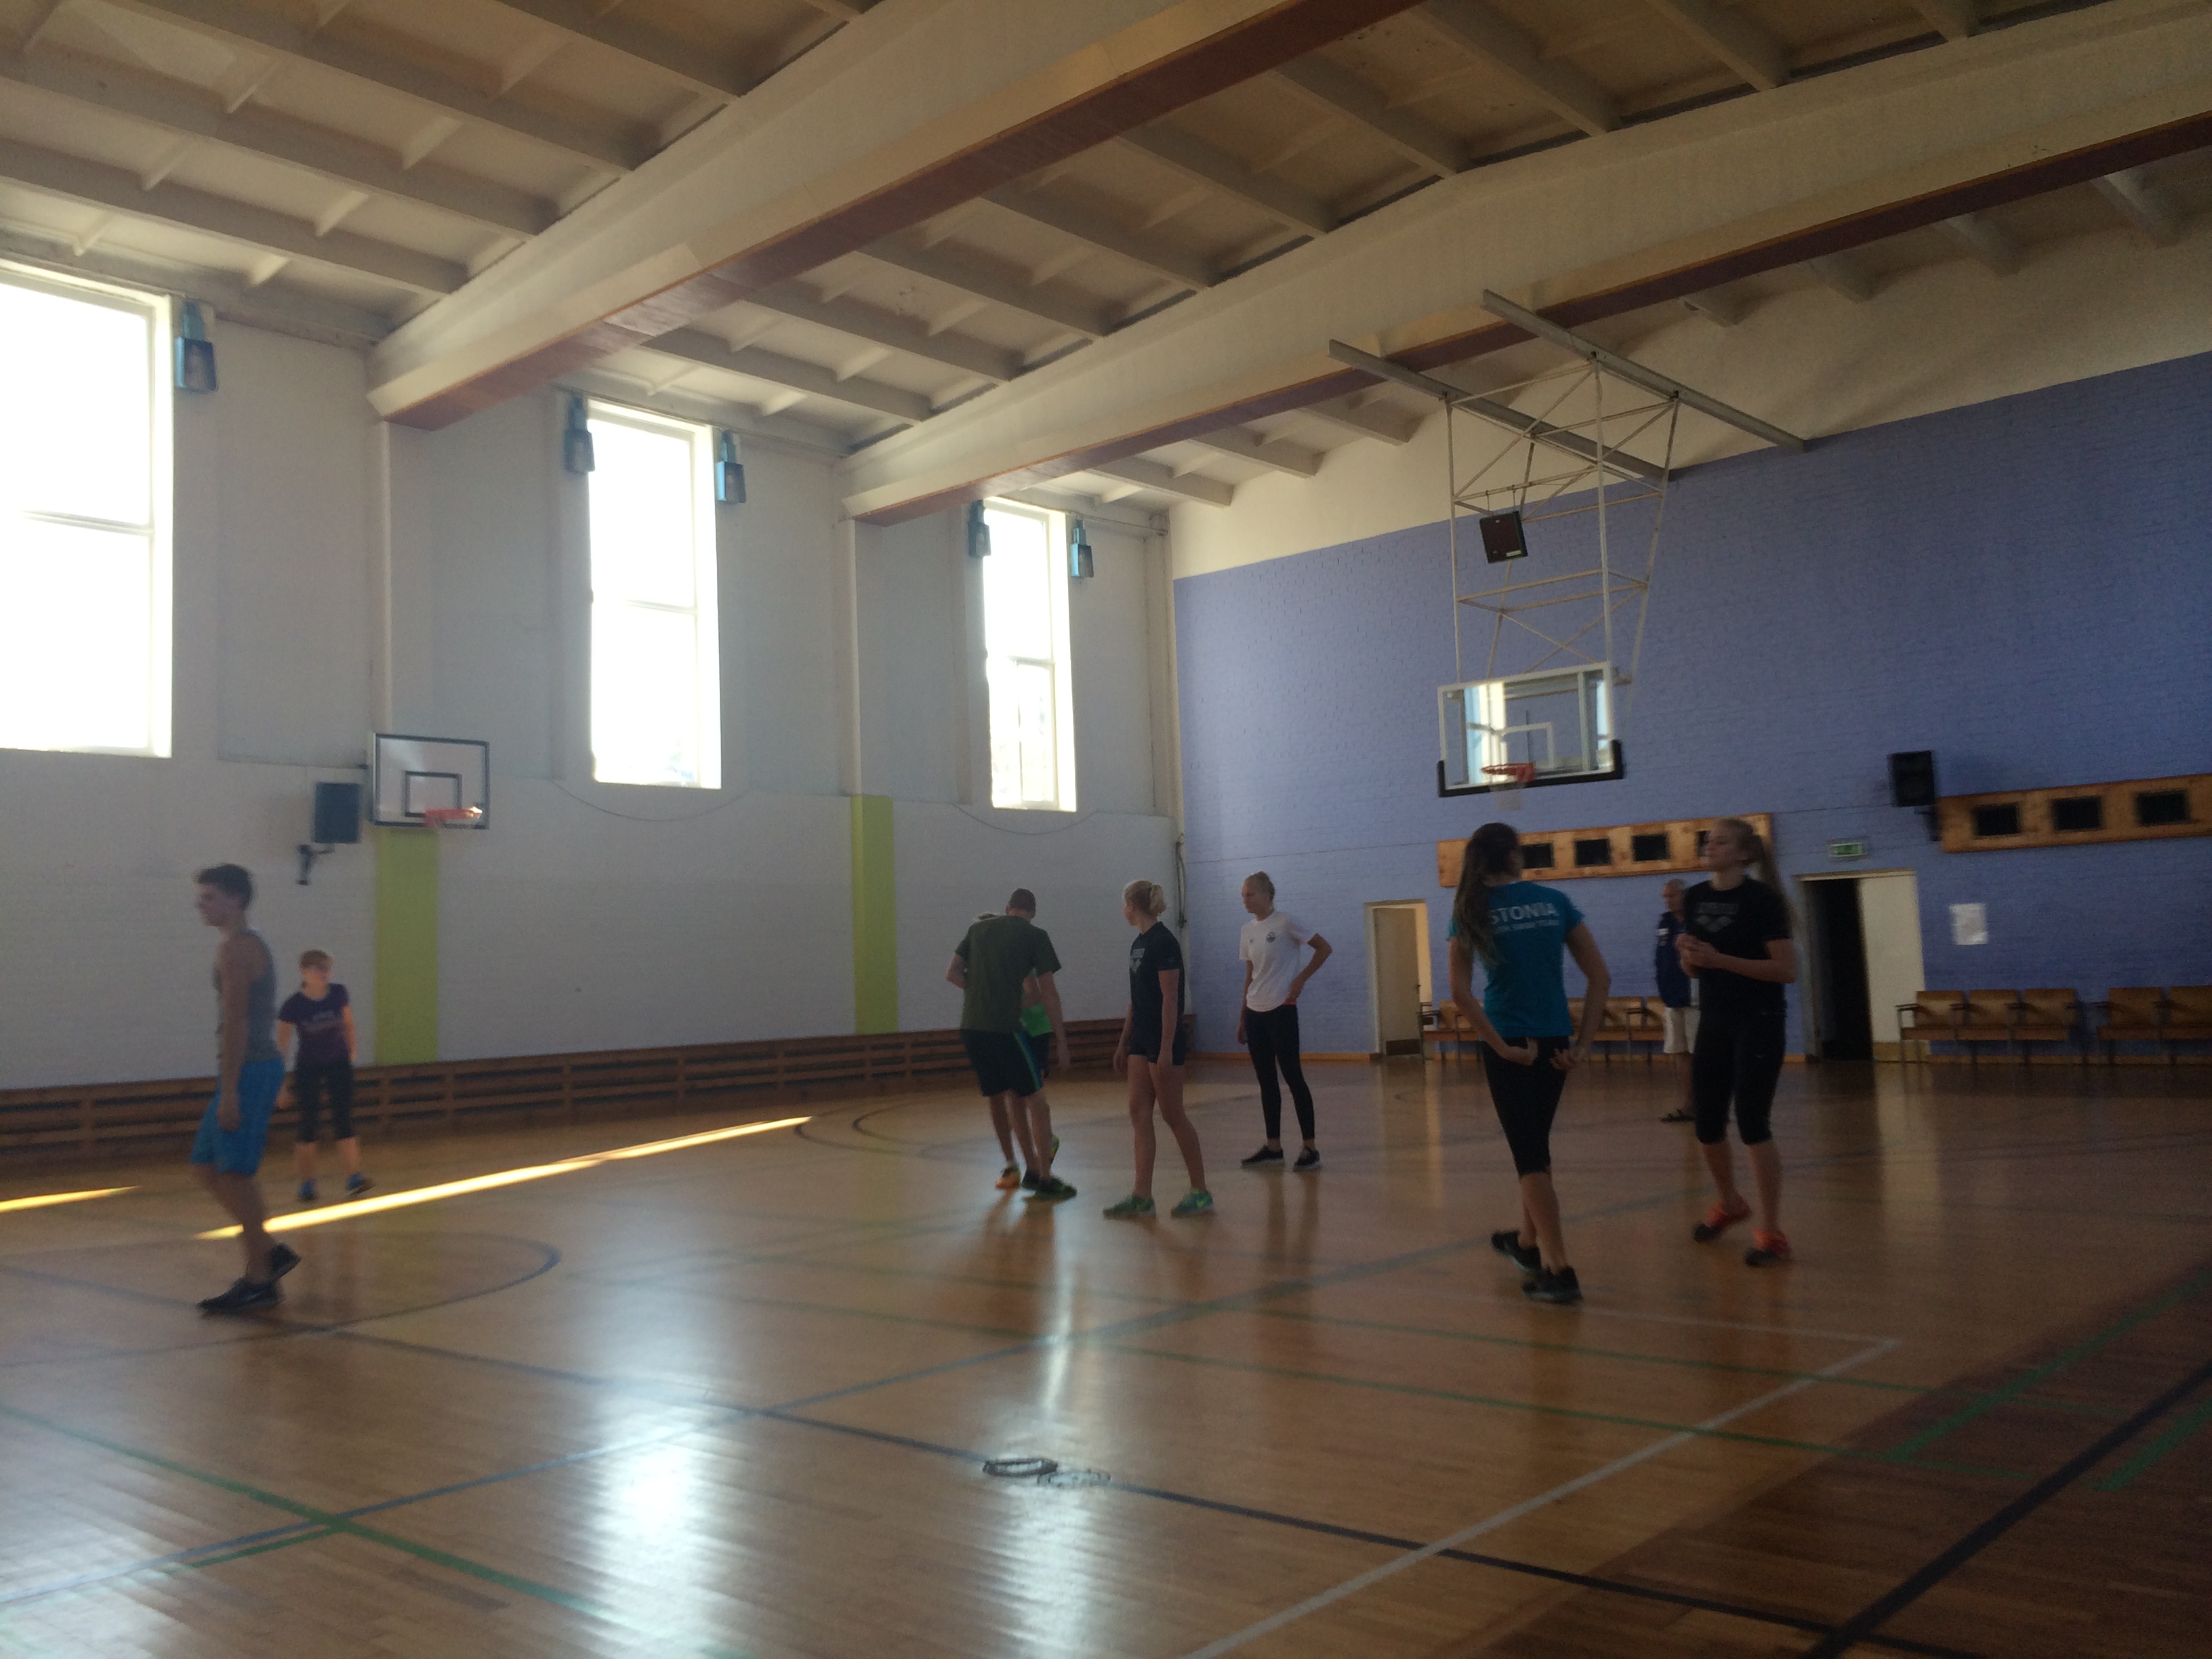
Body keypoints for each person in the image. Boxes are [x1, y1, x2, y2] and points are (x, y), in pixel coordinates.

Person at [1446, 823, 1611, 1305]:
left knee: (1529, 1157)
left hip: (1510, 1041)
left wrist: (1500, 1047)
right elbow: (1599, 977)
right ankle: (1525, 1242)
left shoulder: (1470, 908)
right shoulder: (1555, 902)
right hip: (1555, 1040)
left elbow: (1460, 993)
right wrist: (1583, 1045)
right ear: (1515, 857)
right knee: (1535, 1146)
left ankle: (1559, 1269)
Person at [1677, 818, 1799, 1267]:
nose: (1710, 846)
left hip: (1759, 1020)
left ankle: (1771, 1232)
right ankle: (1730, 1202)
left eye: (1721, 841)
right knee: (1707, 1123)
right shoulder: (1695, 896)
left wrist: (1719, 959)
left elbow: (1786, 970)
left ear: (1744, 854)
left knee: (1752, 1122)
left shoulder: (1762, 900)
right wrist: (1690, 957)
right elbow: (1696, 970)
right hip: (1714, 1019)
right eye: (1708, 840)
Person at [189, 864, 300, 1313]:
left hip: (249, 1072)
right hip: (242, 1071)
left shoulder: (237, 949)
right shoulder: (241, 945)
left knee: (235, 1174)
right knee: (205, 1167)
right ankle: (268, 1251)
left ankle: (260, 1279)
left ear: (235, 899)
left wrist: (231, 1091)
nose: (201, 905)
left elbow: (236, 1021)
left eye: (209, 897)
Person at [947, 890, 1075, 1203]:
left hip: (971, 1029)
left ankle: (1027, 1169)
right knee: (1038, 1104)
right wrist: (1062, 1041)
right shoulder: (1035, 935)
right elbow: (1048, 993)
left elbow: (952, 973)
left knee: (1006, 1097)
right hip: (1005, 1029)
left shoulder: (978, 929)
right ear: (1032, 912)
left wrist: (981, 993)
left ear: (1007, 909)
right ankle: (1045, 1179)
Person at [1105, 880, 1212, 1219]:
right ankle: (1142, 1197)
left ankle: (1201, 1192)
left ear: (1133, 905)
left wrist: (1166, 1048)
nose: (1123, 910)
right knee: (1138, 1113)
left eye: (1124, 904)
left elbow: (1170, 998)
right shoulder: (1138, 943)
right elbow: (1137, 999)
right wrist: (1124, 1042)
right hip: (1141, 1039)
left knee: (1173, 1115)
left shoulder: (1164, 942)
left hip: (1164, 1039)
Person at [1235, 872, 1332, 1171]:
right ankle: (1273, 1147)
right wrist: (1242, 1017)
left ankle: (1310, 1148)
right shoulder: (1247, 931)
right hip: (1255, 1011)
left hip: (1282, 1009)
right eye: (1243, 895)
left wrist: (1301, 979)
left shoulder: (1286, 922)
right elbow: (1250, 975)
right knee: (1266, 1081)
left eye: (1250, 894)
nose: (1245, 899)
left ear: (1267, 895)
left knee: (1293, 1076)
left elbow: (1324, 948)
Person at [279, 949, 371, 1204]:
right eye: (319, 968)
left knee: (344, 1119)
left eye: (327, 968)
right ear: (304, 971)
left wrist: (351, 1050)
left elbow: (348, 1023)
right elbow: (282, 1045)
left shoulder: (339, 993)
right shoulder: (293, 1005)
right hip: (309, 1067)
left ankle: (354, 1178)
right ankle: (307, 1184)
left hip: (338, 1065)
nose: (325, 974)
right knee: (308, 1123)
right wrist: (280, 1084)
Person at [1654, 880, 1698, 1123]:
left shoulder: (1697, 922)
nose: (1668, 901)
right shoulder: (1665, 922)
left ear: (1684, 895)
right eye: (1665, 897)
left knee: (1700, 1053)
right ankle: (1689, 1105)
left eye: (1672, 896)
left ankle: (1711, 1105)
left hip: (1695, 998)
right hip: (1672, 999)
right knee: (1680, 1052)